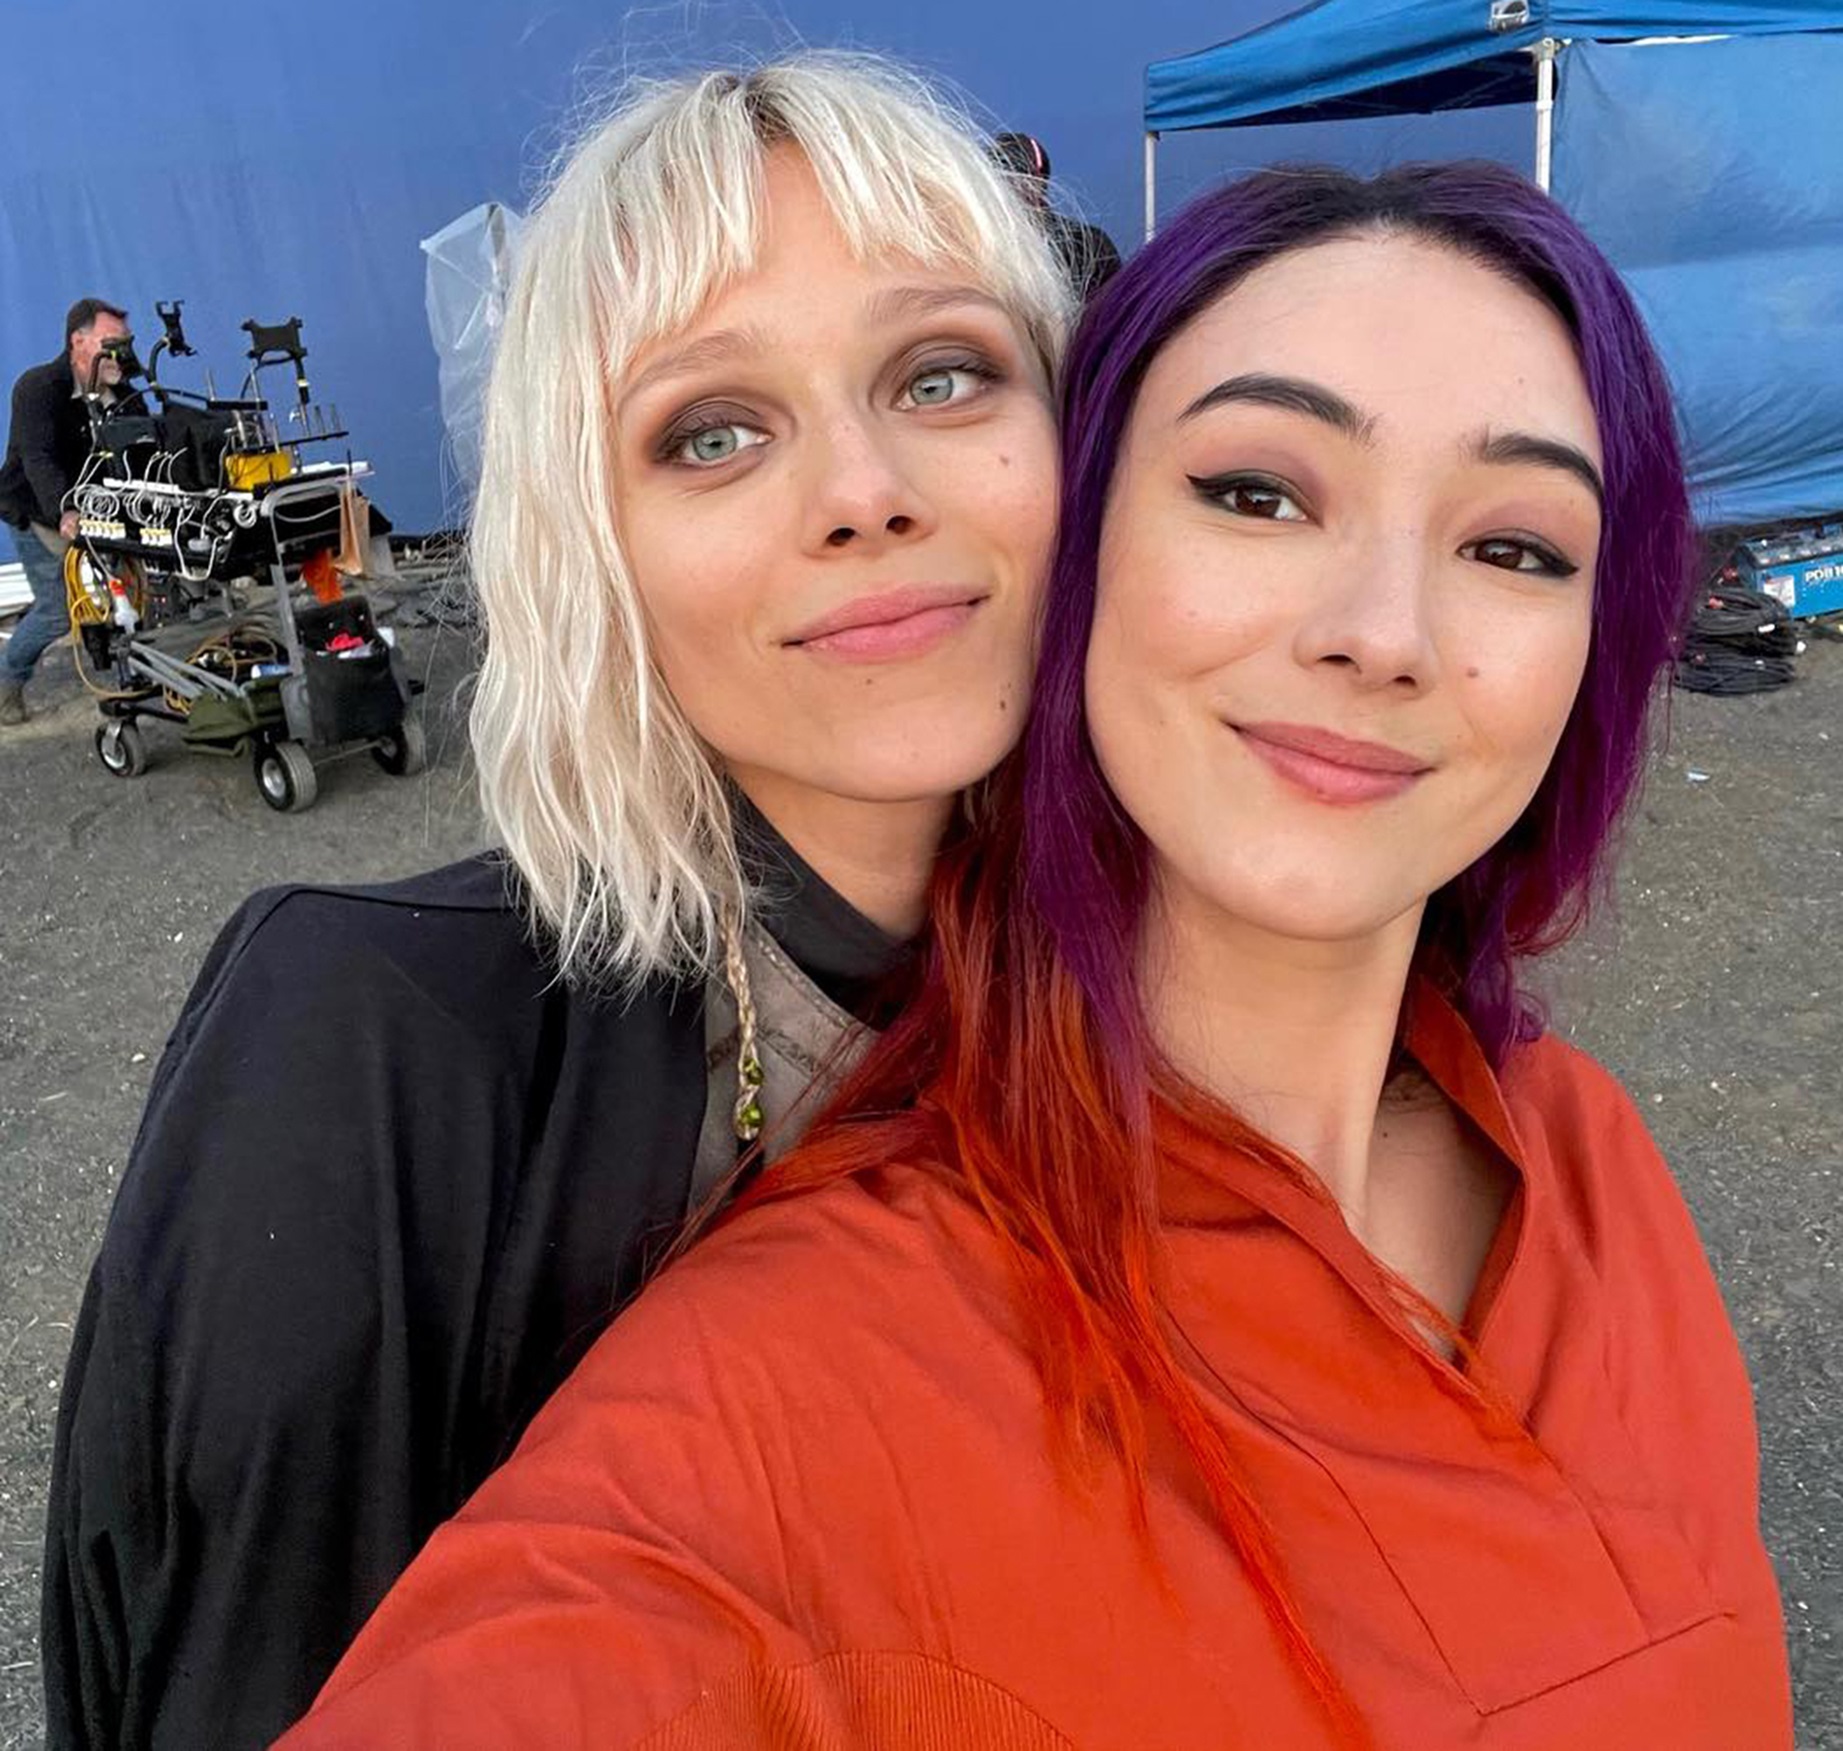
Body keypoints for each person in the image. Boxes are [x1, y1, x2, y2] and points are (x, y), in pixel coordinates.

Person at [280, 162, 1792, 1750]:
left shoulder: (1592, 1159)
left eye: (1516, 548)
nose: (1383, 630)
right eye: (1256, 492)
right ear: (1079, 553)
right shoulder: (803, 1383)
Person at [41, 54, 1071, 1751]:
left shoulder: (1202, 1029)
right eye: (711, 431)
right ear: (587, 543)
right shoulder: (365, 1058)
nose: (863, 489)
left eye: (943, 373)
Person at [0, 297, 131, 723]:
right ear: (78, 342)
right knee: (57, 610)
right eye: (111, 343)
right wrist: (66, 510)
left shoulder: (121, 391)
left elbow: (145, 446)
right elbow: (38, 460)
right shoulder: (38, 387)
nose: (121, 354)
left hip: (96, 505)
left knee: (131, 587)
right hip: (36, 508)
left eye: (125, 343)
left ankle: (123, 662)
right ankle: (6, 681)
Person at [990, 129, 1122, 300]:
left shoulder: (1088, 246)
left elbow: (1115, 306)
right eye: (1001, 177)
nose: (1011, 186)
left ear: (1041, 182)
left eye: (1019, 176)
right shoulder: (977, 250)